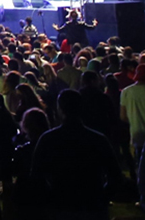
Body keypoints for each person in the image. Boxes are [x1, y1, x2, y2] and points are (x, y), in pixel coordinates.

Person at [30, 88, 122, 220]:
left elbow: (36, 176)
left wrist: (49, 198)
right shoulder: (97, 139)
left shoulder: (48, 139)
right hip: (92, 205)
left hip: (60, 204)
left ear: (60, 109)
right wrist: (102, 197)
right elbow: (115, 176)